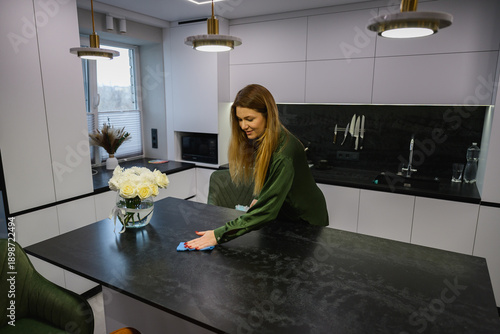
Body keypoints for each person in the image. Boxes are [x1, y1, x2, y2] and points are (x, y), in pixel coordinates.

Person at [185, 84, 328, 249]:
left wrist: (218, 235)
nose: (243, 126)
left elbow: (266, 212)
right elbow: (273, 181)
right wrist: (262, 197)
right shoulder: (268, 138)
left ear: (268, 115)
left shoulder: (283, 153)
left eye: (249, 119)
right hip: (286, 214)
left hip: (306, 219)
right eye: (240, 119)